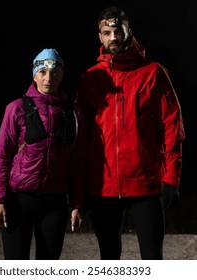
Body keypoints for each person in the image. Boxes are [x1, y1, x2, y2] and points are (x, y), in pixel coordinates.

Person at [75, 6, 185, 260]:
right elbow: (79, 138)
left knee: (152, 258)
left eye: (117, 31)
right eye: (107, 32)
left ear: (128, 32)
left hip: (146, 184)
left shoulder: (153, 73)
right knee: (109, 259)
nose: (113, 36)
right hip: (103, 187)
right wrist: (80, 189)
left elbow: (172, 128)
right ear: (99, 37)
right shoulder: (90, 78)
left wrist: (172, 178)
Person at [0, 48, 86, 260]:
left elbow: (77, 163)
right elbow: (2, 157)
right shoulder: (16, 108)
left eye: (55, 72)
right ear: (34, 75)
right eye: (42, 72)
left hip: (55, 202)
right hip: (19, 200)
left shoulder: (73, 114)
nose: (48, 78)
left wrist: (77, 204)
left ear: (62, 75)